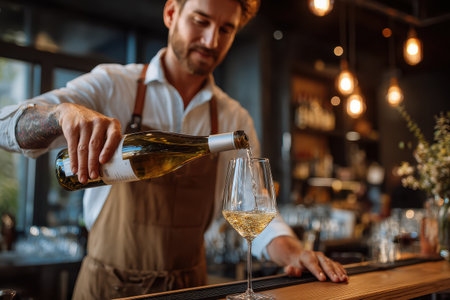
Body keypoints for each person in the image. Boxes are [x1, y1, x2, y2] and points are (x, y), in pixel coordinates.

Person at [0, 0, 347, 298]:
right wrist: (60, 115)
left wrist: (294, 253)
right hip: (108, 287)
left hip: (190, 290)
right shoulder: (113, 84)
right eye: (201, 21)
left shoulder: (232, 117)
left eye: (226, 29)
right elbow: (6, 126)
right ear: (171, 13)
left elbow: (256, 207)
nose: (212, 40)